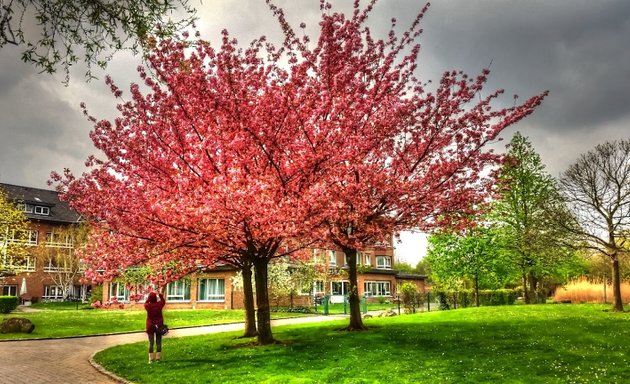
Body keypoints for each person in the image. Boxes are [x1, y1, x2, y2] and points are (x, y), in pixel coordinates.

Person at [144, 289, 166, 364]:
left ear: (149, 299)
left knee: (151, 343)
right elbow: (163, 300)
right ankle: (158, 359)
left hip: (150, 326)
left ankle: (150, 359)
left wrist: (148, 298)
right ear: (156, 299)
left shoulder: (147, 306)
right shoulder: (159, 305)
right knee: (158, 342)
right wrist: (160, 294)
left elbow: (146, 302)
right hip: (159, 326)